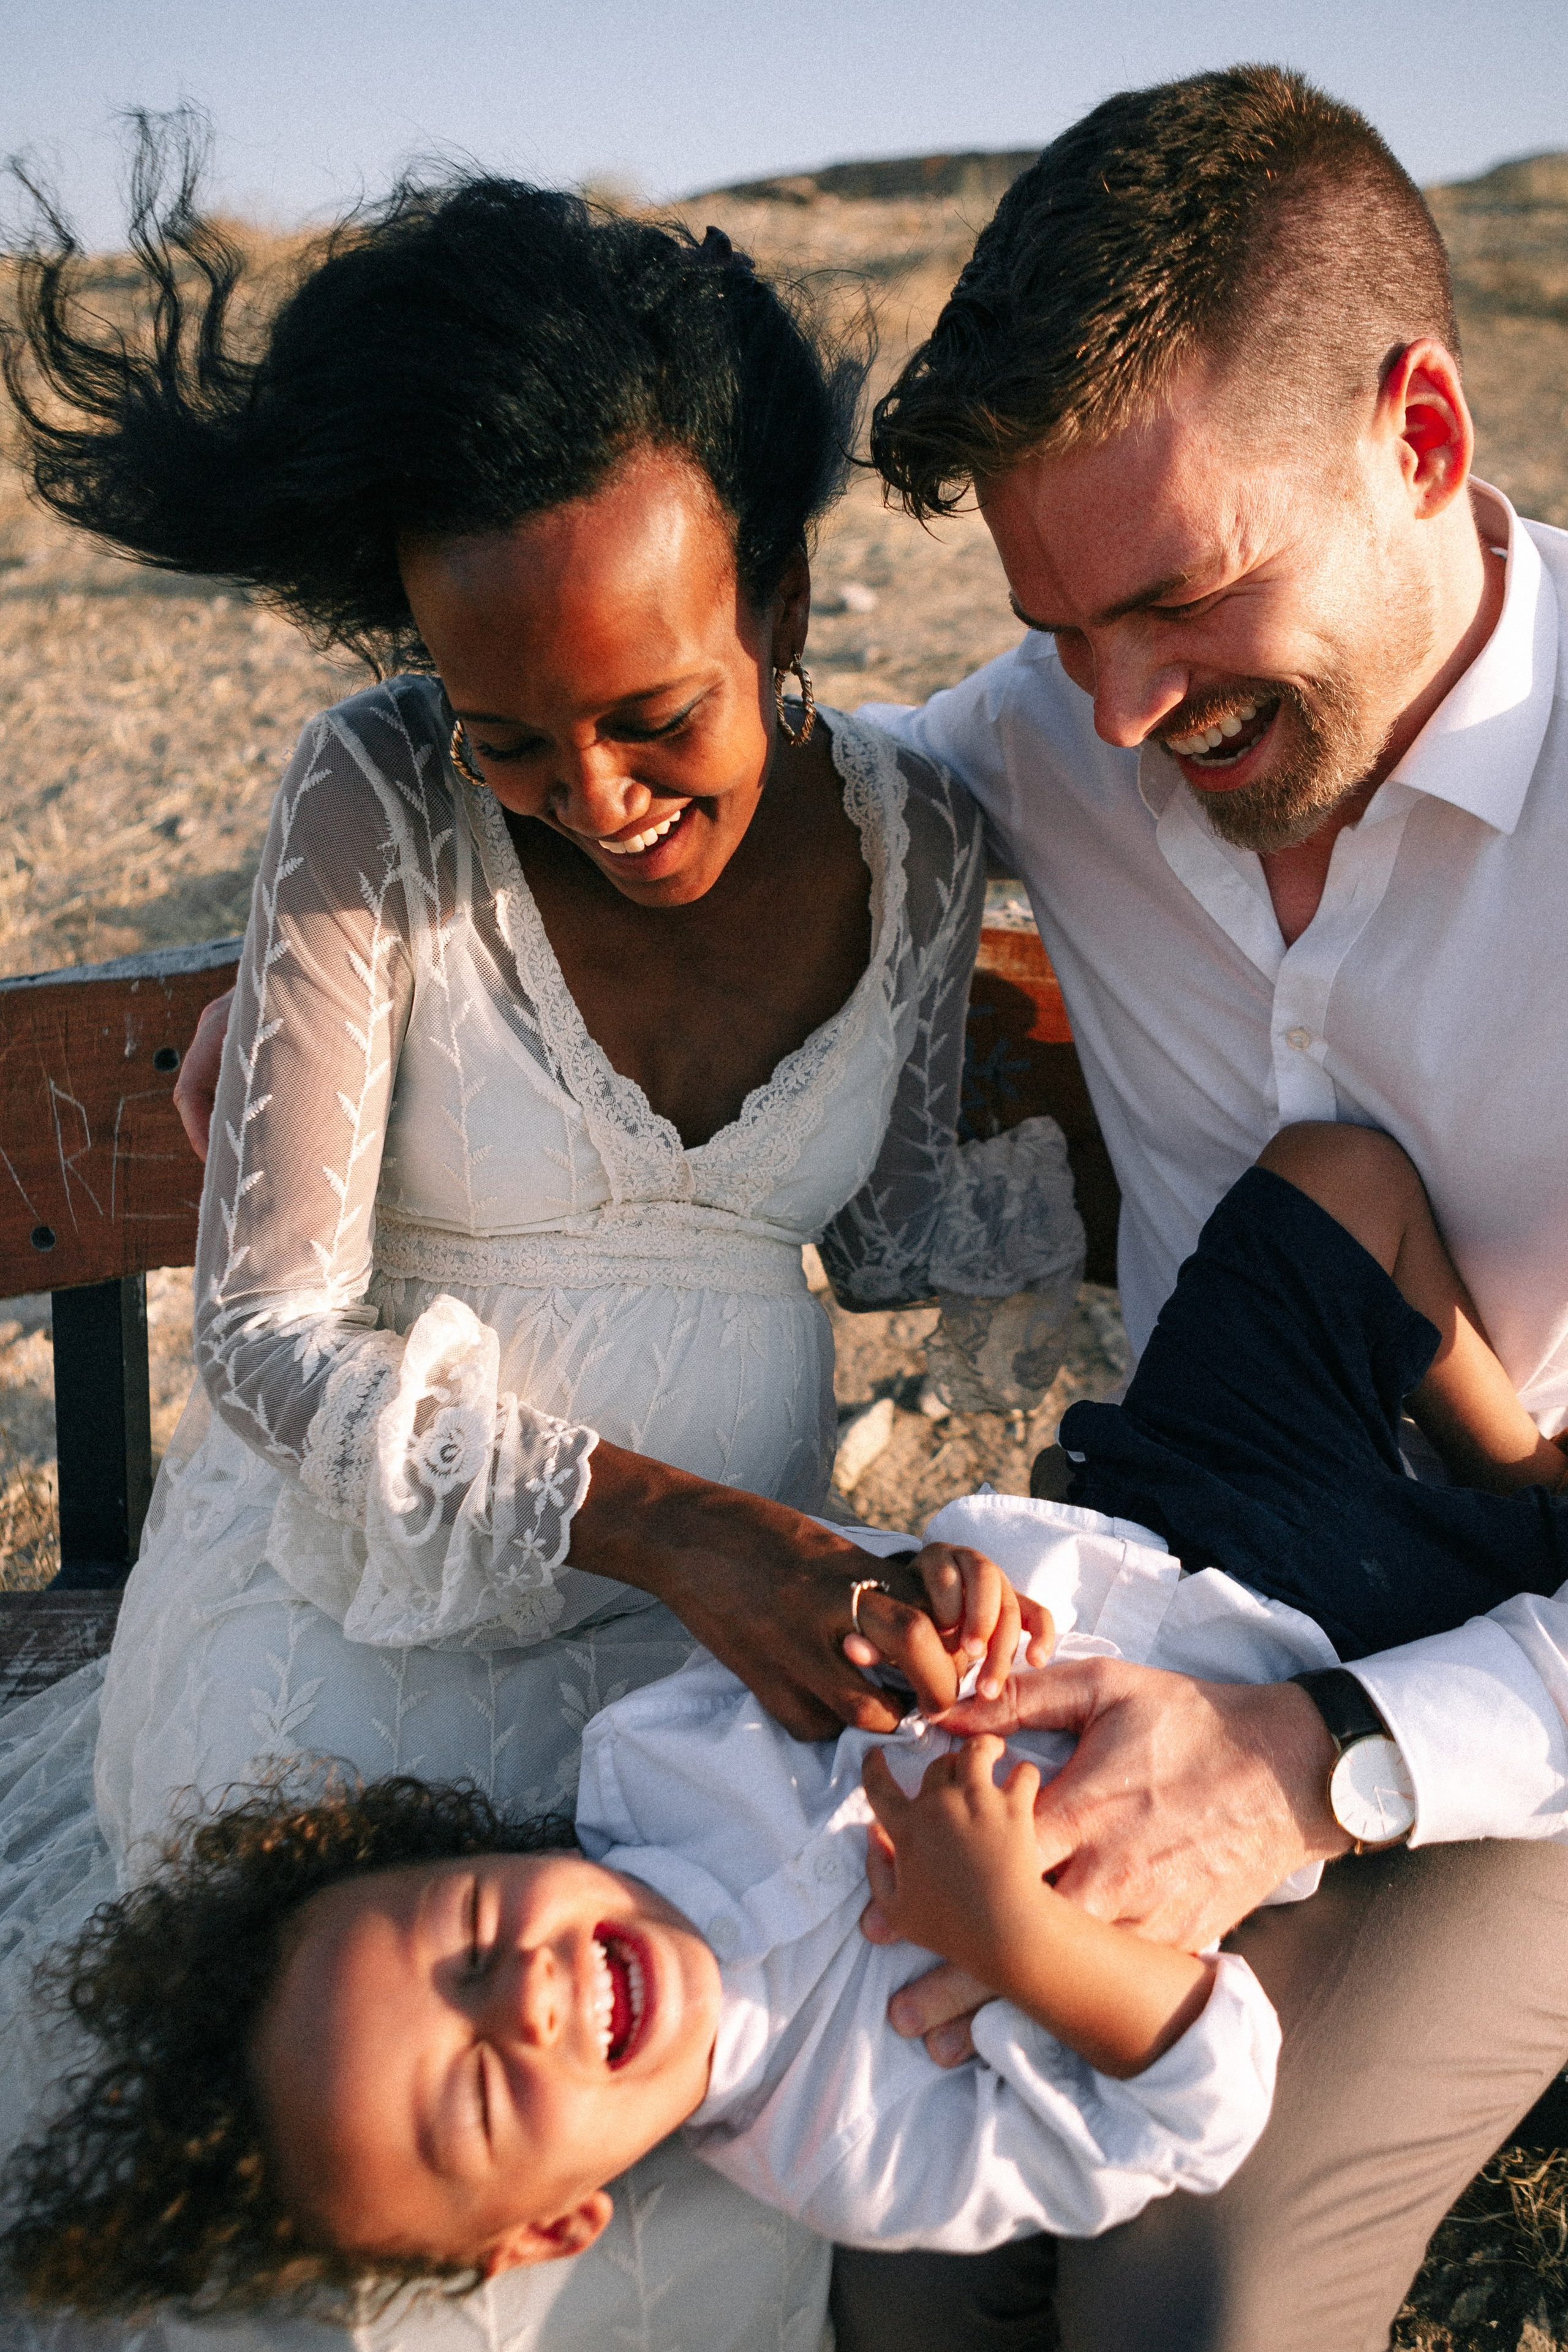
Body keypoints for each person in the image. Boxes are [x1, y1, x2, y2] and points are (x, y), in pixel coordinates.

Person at [0, 138, 1085, 2352]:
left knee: (705, 2096)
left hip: (718, 1673)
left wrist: (1162, 1179)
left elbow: (882, 1241)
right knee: (402, 2135)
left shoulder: (921, 837)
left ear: (775, 605)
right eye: (516, 737)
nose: (591, 798)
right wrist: (670, 1528)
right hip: (350, 1612)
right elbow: (278, 1347)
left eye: (651, 715)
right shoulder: (372, 799)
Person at [11, 1117, 1568, 2329]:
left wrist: (925, 1587)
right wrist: (1021, 1944)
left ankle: (1520, 1465)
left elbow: (851, 1626)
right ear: (554, 2223)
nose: (534, 1995)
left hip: (1163, 1511)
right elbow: (1200, 2101)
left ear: (471, 1851)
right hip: (1345, 1648)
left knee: (1332, 1179)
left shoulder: (647, 1775)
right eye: (488, 2084)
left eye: (478, 1936)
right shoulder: (849, 2143)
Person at [848, 60, 1568, 2352]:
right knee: (904, 2210)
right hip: (1180, 1585)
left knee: (1205, 2285)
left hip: (1527, 1688)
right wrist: (350, 933)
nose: (1125, 711)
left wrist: (1316, 1766)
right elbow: (757, 794)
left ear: (1422, 440)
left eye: (1177, 599)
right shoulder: (1073, 724)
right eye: (1062, 632)